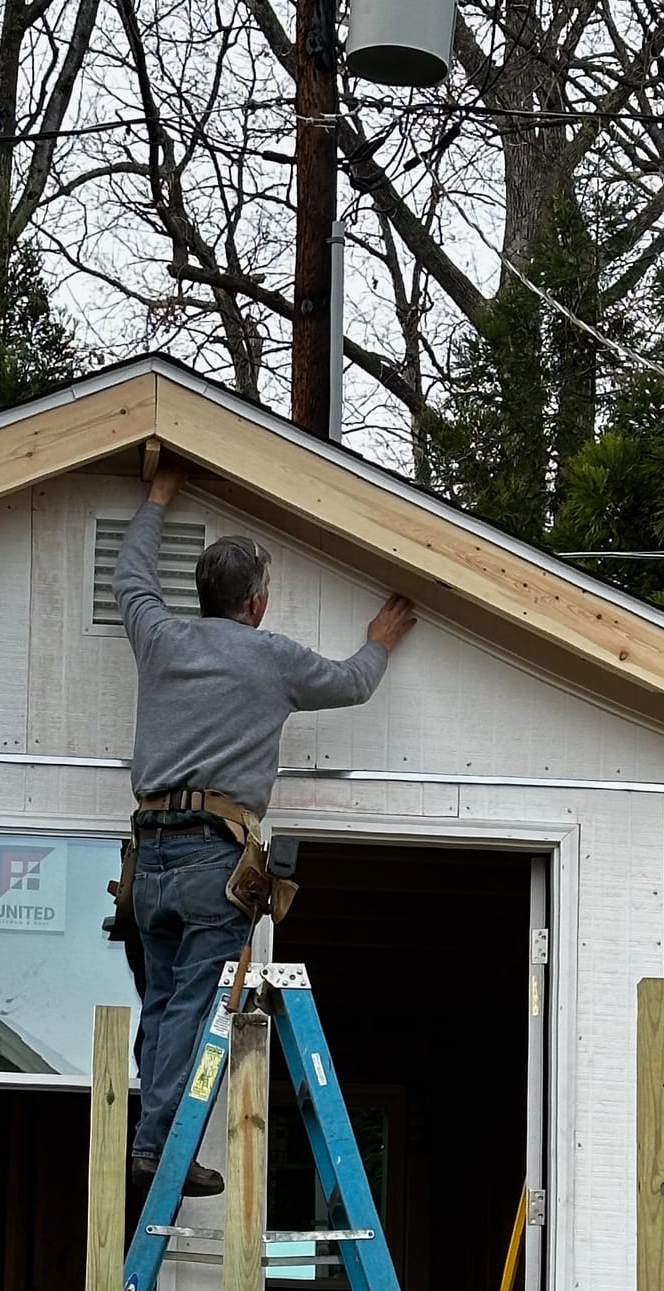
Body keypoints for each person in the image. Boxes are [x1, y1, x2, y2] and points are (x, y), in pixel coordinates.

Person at [114, 460, 417, 1194]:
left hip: (148, 852)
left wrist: (157, 497)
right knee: (191, 1002)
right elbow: (351, 682)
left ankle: (153, 1133)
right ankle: (159, 1146)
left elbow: (130, 578)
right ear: (255, 604)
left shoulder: (159, 636)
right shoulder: (271, 657)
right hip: (212, 855)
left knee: (162, 1002)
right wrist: (379, 637)